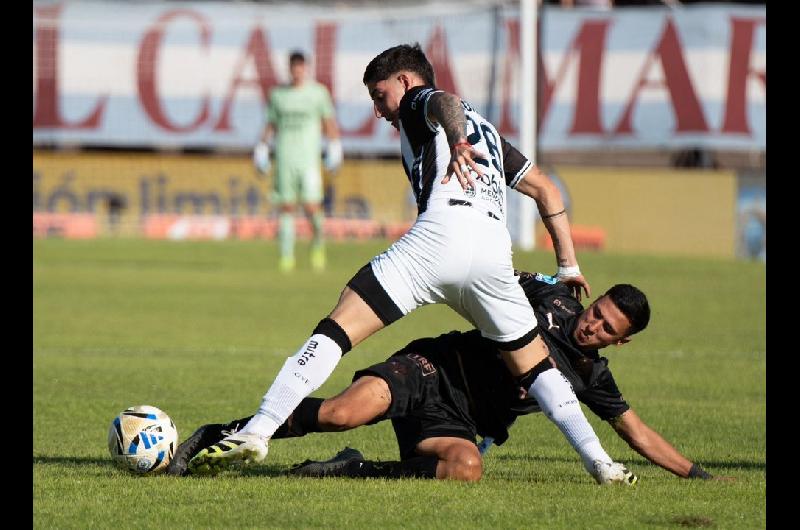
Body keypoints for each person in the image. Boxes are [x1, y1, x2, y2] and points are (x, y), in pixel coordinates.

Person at [189, 43, 597, 476]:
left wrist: (456, 140)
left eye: (380, 96)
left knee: (337, 327)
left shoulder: (418, 101)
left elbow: (443, 100)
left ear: (404, 81)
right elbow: (545, 188)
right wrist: (568, 266)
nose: (379, 110)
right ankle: (601, 462)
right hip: (492, 258)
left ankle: (258, 429)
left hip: (437, 244)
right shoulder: (489, 133)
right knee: (537, 368)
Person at [171, 272, 715, 482]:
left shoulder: (593, 377)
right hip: (430, 369)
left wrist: (697, 475)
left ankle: (350, 470)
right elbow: (486, 274)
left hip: (457, 420)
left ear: (621, 341)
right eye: (596, 312)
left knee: (466, 468)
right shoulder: (548, 299)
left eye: (606, 328)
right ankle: (221, 434)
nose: (592, 325)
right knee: (340, 413)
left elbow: (636, 433)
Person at [253, 50, 343, 272]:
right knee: (286, 207)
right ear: (290, 69)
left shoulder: (318, 93)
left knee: (312, 206)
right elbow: (271, 124)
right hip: (285, 158)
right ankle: (286, 257)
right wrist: (262, 147)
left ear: (306, 68)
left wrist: (335, 146)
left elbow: (328, 122)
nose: (297, 71)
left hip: (308, 159)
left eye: (301, 67)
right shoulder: (278, 95)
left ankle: (318, 245)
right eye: (294, 67)